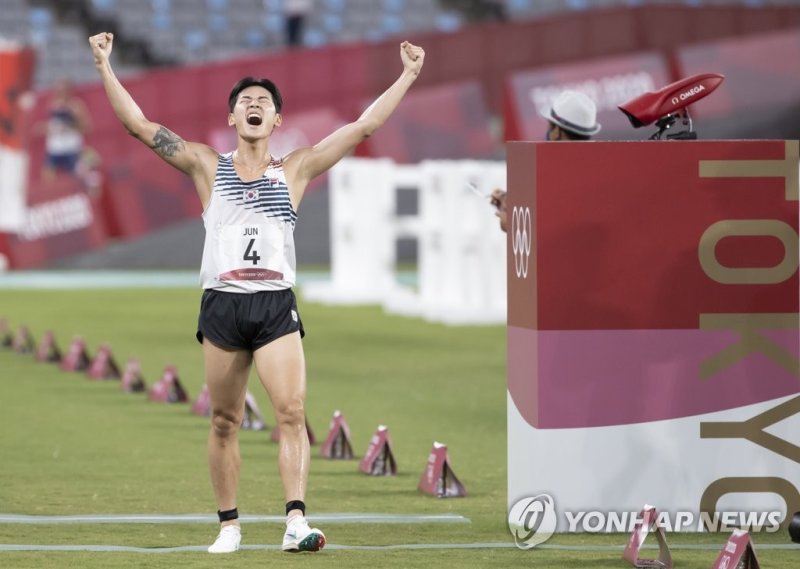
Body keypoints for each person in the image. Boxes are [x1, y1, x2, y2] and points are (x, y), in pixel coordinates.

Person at [88, 31, 425, 554]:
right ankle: (229, 526)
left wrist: (406, 75)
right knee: (224, 420)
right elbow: (138, 126)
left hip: (273, 303)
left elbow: (364, 127)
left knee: (291, 412)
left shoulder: (294, 169)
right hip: (222, 303)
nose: (253, 105)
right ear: (231, 119)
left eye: (263, 103)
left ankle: (295, 522)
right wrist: (105, 64)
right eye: (244, 101)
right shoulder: (206, 165)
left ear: (275, 122)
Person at [491, 89, 600, 231]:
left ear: (556, 132)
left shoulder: (552, 169)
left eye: (549, 125)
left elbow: (561, 228)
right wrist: (507, 200)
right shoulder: (598, 167)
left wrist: (514, 224)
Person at [42, 79, 91, 180]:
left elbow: (86, 126)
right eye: (58, 90)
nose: (60, 93)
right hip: (55, 147)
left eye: (63, 90)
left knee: (74, 177)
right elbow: (51, 125)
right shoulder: (53, 105)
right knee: (48, 175)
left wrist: (70, 124)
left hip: (71, 147)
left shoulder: (76, 105)